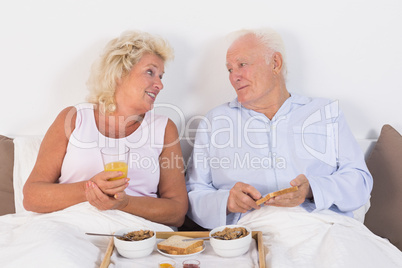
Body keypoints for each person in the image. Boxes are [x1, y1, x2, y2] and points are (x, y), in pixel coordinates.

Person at [185, 28, 373, 230]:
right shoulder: (216, 121)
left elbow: (359, 181)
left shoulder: (325, 112)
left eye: (242, 65)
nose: (234, 77)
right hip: (251, 231)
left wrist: (312, 189)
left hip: (323, 227)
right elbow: (194, 192)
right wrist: (226, 202)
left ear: (275, 63)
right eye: (230, 69)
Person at [23, 30, 188, 227]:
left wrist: (125, 203)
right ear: (119, 73)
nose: (159, 84)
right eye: (150, 72)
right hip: (71, 228)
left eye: (161, 76)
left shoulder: (163, 128)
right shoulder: (74, 118)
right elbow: (32, 196)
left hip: (134, 233)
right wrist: (90, 189)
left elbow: (177, 212)